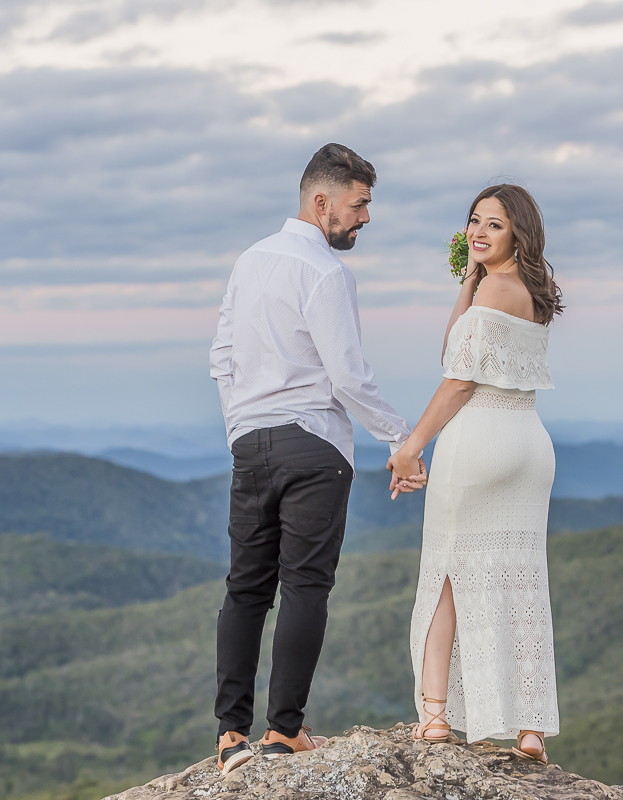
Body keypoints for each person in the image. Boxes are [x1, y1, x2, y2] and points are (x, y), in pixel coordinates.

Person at [209, 143, 426, 775]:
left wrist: (239, 426)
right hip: (314, 447)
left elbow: (220, 356)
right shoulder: (328, 274)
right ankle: (284, 732)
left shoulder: (249, 262)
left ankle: (230, 736)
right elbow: (349, 375)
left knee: (246, 585)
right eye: (359, 206)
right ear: (320, 200)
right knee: (305, 583)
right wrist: (402, 438)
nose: (364, 219)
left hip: (249, 443)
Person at [388, 184, 564, 764]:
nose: (480, 233)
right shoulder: (532, 293)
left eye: (495, 225)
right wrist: (468, 275)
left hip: (482, 437)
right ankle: (529, 728)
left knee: (446, 573)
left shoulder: (493, 287)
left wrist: (413, 446)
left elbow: (458, 377)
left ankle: (436, 717)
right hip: (530, 442)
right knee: (519, 577)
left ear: (518, 233)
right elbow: (458, 346)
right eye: (474, 222)